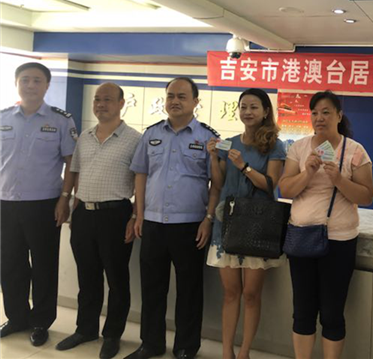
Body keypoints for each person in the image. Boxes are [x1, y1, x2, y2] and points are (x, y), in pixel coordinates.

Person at [126, 77, 220, 359]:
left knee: (189, 289)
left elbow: (216, 185)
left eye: (182, 96)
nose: (175, 101)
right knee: (152, 287)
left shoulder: (208, 138)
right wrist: (139, 214)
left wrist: (208, 219)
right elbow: (141, 175)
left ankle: (186, 347)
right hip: (153, 223)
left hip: (190, 225)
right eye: (170, 96)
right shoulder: (151, 134)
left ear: (195, 102)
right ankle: (150, 344)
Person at [279, 90, 373, 359]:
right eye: (314, 113)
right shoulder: (299, 148)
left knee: (332, 313)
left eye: (326, 112)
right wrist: (308, 172)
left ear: (339, 116)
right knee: (303, 311)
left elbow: (367, 196)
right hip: (302, 237)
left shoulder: (355, 151)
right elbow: (286, 189)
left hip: (339, 241)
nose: (319, 118)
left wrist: (339, 180)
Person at [54, 82, 141, 358]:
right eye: (97, 100)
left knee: (117, 279)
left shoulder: (135, 140)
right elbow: (76, 172)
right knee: (87, 277)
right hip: (84, 214)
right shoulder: (85, 137)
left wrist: (136, 215)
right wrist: (71, 203)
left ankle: (112, 335)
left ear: (121, 103)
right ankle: (86, 329)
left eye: (107, 99)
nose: (101, 104)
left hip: (116, 215)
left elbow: (142, 182)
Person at [0, 62, 77, 346]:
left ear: (46, 86)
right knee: (10, 264)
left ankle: (41, 322)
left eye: (36, 80)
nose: (30, 85)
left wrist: (64, 199)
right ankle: (16, 317)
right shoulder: (3, 117)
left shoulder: (61, 120)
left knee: (44, 265)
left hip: (44, 204)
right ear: (16, 83)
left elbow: (72, 163)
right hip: (5, 203)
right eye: (25, 80)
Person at [206, 88, 287, 359]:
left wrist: (244, 167)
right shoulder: (228, 143)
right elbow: (219, 183)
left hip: (257, 225)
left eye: (254, 107)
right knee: (231, 293)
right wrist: (213, 157)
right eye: (243, 107)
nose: (247, 112)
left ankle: (244, 352)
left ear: (265, 112)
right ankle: (226, 351)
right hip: (227, 224)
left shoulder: (275, 145)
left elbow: (271, 185)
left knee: (251, 294)